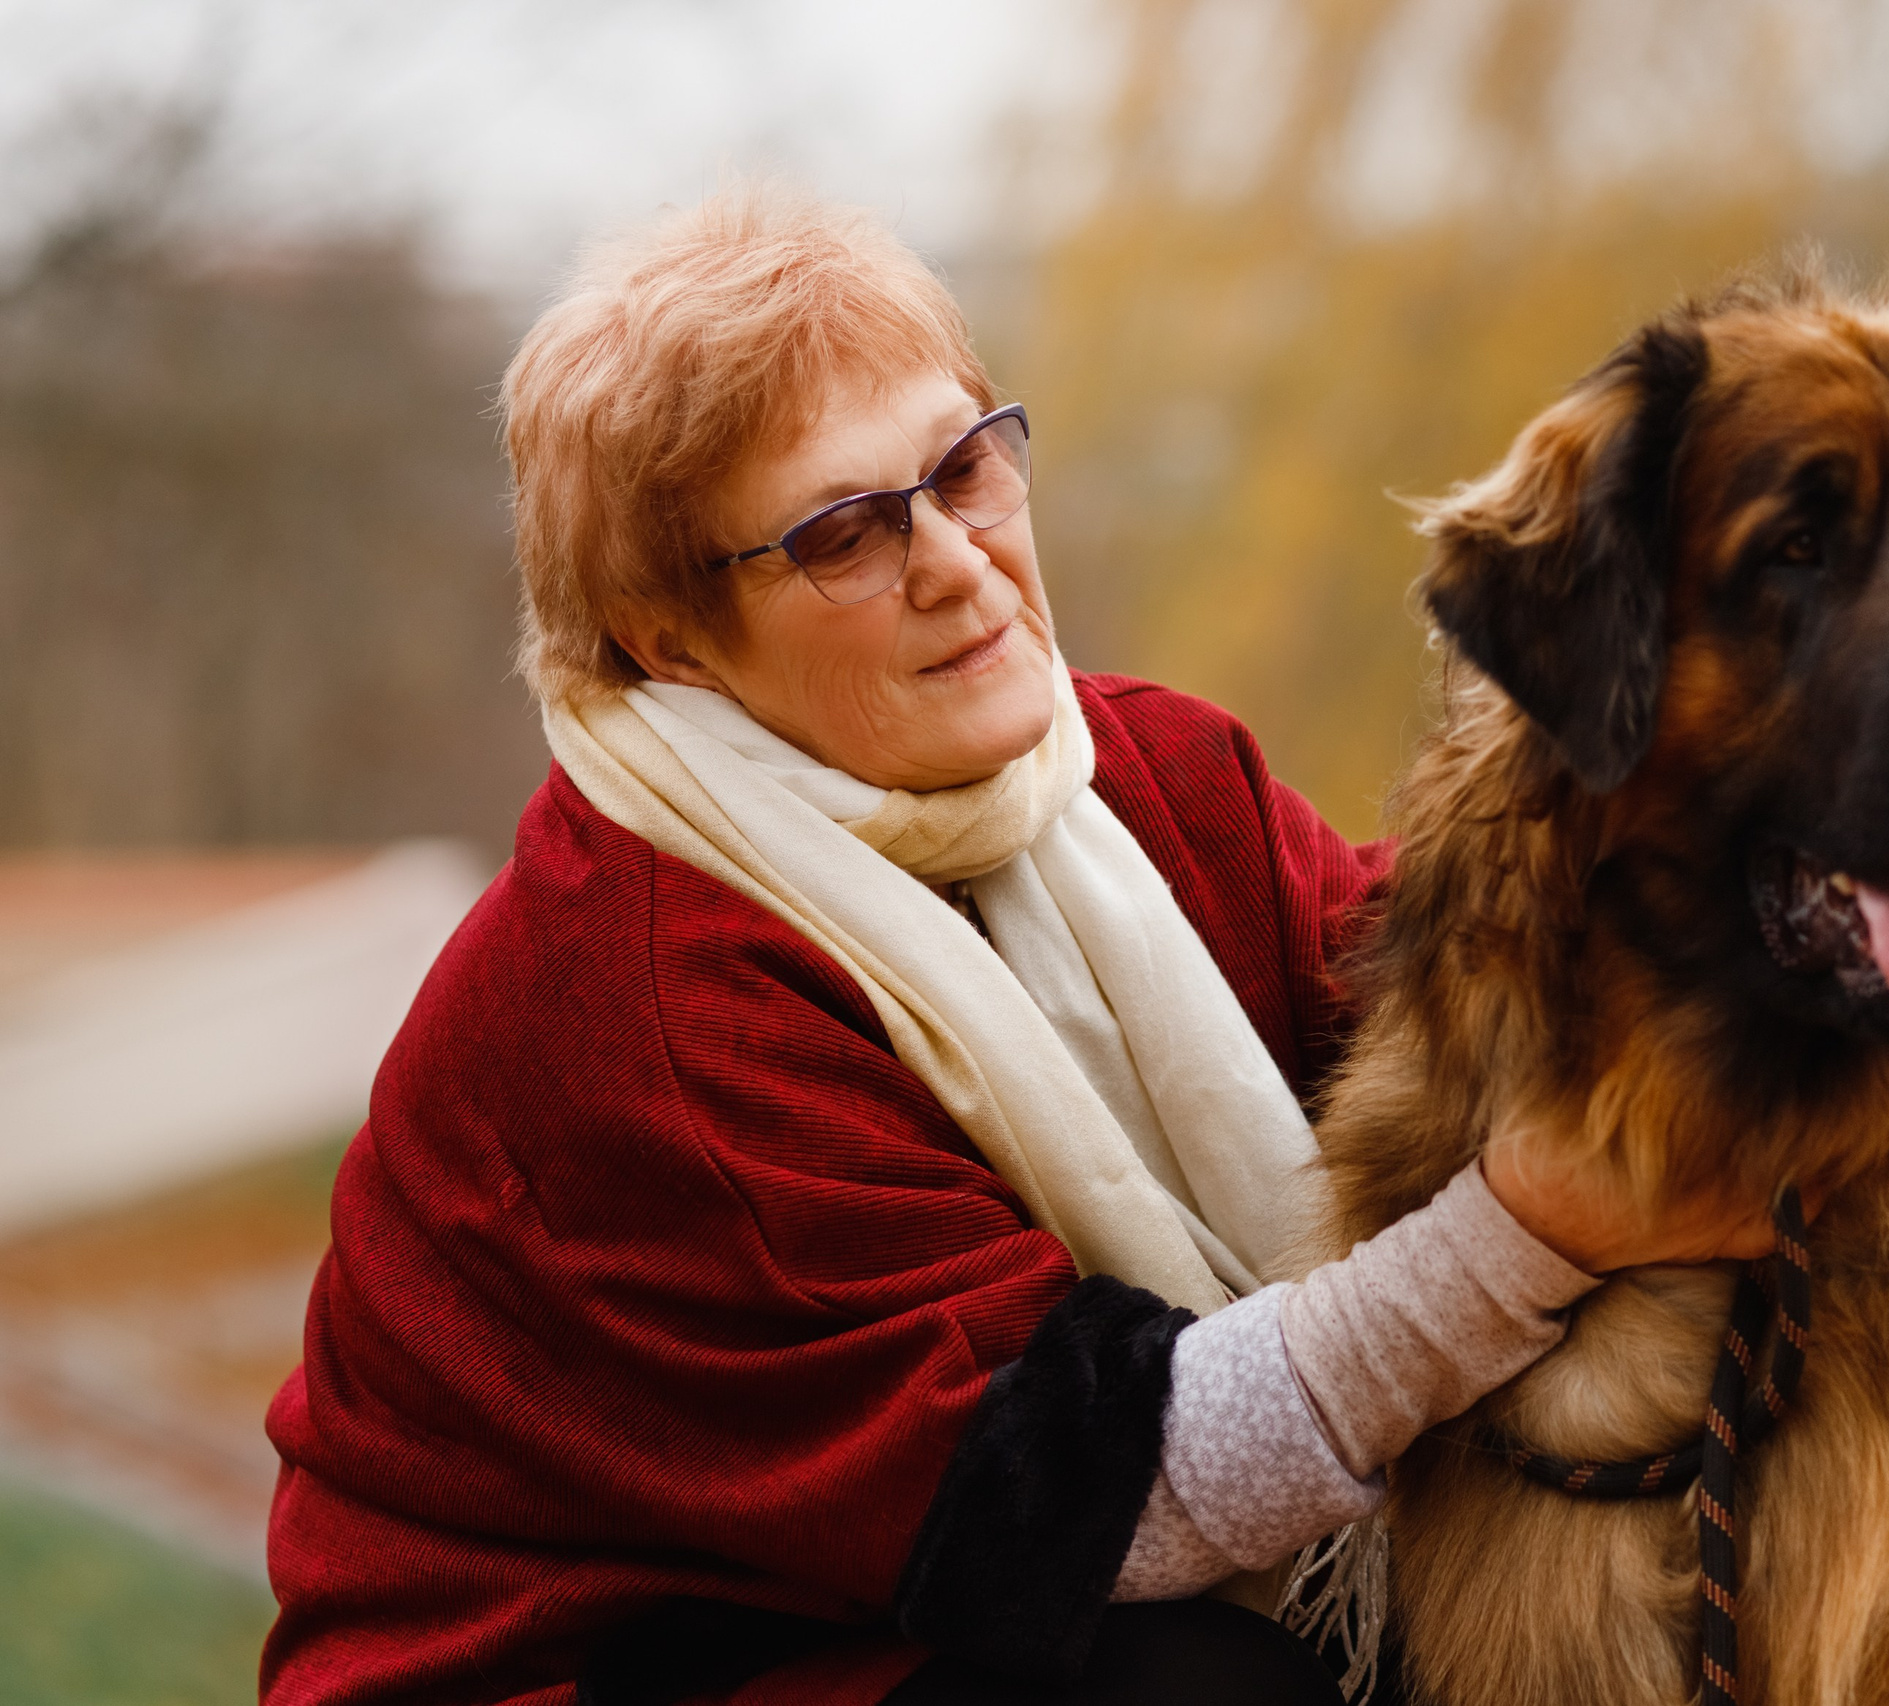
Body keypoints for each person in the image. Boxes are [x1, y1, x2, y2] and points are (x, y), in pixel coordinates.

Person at [259, 185, 1787, 1706]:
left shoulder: (1153, 778)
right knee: (1201, 1694)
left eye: (965, 463)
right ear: (669, 639)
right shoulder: (649, 999)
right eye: (843, 533)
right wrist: (1535, 1226)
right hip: (599, 1663)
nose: (954, 559)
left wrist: (1744, 853)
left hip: (848, 1600)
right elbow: (1098, 1495)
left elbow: (1447, 990)